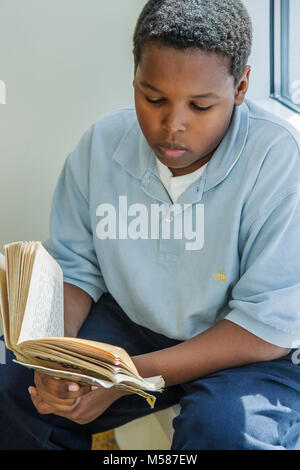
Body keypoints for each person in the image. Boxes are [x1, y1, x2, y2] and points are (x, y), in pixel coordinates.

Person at [1, 0, 300, 450]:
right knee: (13, 383)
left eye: (200, 106)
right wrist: (57, 359)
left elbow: (265, 325)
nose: (172, 125)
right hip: (135, 324)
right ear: (135, 78)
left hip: (247, 349)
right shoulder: (101, 146)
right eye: (153, 97)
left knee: (221, 431)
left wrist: (124, 377)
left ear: (240, 88)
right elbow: (78, 268)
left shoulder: (278, 161)